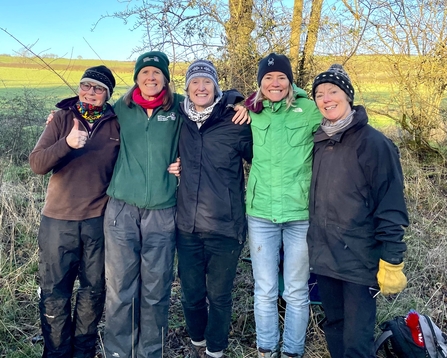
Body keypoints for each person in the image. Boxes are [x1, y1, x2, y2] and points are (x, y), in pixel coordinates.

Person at [103, 51, 248, 358]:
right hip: (122, 209)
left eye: (157, 74)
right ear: (137, 77)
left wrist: (238, 100)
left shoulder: (178, 108)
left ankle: (150, 352)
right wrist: (62, 115)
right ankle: (119, 351)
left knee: (156, 289)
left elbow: (214, 101)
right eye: (145, 73)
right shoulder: (122, 108)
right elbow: (90, 114)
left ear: (167, 80)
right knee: (119, 288)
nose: (151, 78)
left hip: (164, 209)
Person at [307, 64, 409, 358]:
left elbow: (390, 204)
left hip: (359, 261)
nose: (326, 98)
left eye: (333, 91)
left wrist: (391, 258)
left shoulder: (374, 144)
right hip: (325, 257)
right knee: (335, 327)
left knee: (357, 339)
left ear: (348, 96)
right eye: (320, 94)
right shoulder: (317, 141)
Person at [29, 66, 119, 357]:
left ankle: (84, 352)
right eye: (86, 85)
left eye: (98, 88)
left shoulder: (117, 123)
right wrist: (66, 144)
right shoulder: (61, 119)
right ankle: (56, 352)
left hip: (97, 222)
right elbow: (37, 164)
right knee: (55, 294)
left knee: (93, 292)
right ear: (79, 88)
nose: (90, 92)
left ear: (107, 95)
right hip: (58, 222)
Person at [245, 53, 322, 358]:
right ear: (260, 84)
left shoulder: (310, 110)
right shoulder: (252, 109)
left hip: (299, 214)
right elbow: (222, 106)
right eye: (268, 78)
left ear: (290, 81)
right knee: (264, 290)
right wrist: (239, 101)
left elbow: (341, 120)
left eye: (280, 78)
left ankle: (292, 351)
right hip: (261, 213)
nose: (274, 83)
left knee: (296, 290)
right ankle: (266, 350)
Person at [175, 60, 253, 358]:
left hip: (225, 227)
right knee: (192, 294)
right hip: (187, 227)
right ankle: (197, 343)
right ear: (187, 89)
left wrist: (241, 101)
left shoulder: (235, 121)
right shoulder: (179, 120)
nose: (201, 87)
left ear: (216, 88)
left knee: (219, 296)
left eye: (207, 82)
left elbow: (261, 161)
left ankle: (215, 350)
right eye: (195, 82)